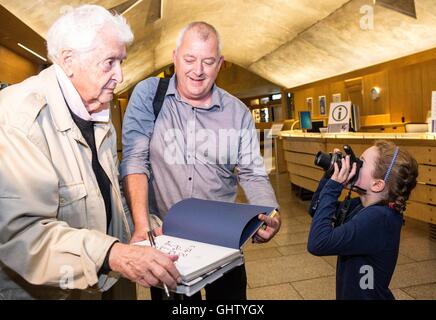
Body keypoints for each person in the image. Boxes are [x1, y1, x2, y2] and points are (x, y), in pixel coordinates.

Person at [0, 5, 180, 300]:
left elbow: (104, 195)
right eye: (110, 62)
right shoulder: (18, 119)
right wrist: (113, 254)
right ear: (69, 60)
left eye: (121, 62)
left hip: (98, 281)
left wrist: (141, 229)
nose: (120, 76)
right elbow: (22, 236)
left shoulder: (95, 114)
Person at [121, 21, 281, 300]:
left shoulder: (238, 113)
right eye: (189, 59)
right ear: (174, 57)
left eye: (208, 62)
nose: (197, 71)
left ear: (219, 63)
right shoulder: (149, 95)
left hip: (224, 242)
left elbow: (253, 172)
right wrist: (141, 226)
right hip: (167, 240)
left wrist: (271, 213)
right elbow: (135, 160)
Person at [307, 140, 418, 299]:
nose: (354, 164)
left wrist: (333, 188)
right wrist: (330, 176)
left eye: (361, 163)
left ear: (377, 184)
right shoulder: (363, 206)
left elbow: (318, 243)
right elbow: (316, 210)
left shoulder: (379, 218)